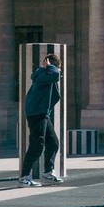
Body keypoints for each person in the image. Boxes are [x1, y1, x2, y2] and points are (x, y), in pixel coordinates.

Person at [19, 52, 63, 186]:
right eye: (58, 66)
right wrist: (51, 67)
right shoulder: (44, 75)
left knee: (53, 142)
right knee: (37, 145)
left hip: (43, 113)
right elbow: (56, 75)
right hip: (37, 113)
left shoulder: (45, 75)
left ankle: (48, 172)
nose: (59, 70)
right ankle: (24, 176)